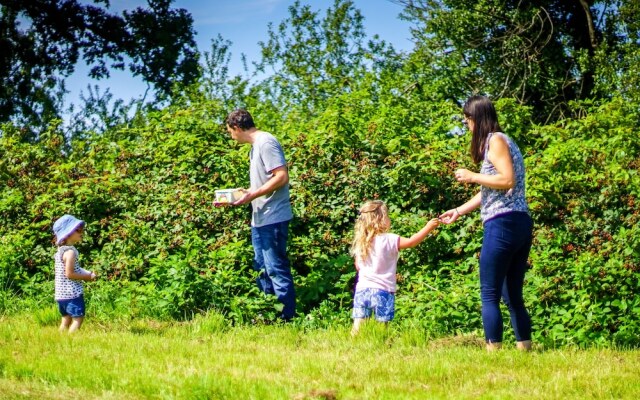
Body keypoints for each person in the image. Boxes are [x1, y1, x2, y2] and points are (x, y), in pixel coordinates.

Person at [439, 95, 533, 351]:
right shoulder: (504, 141)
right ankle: (525, 349)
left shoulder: (495, 141)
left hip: (503, 223)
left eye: (467, 119)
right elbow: (490, 191)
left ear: (476, 119)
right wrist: (459, 210)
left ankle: (494, 351)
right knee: (512, 293)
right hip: (519, 223)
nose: (466, 125)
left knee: (489, 292)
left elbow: (507, 180)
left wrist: (471, 176)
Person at [216, 109, 296, 321]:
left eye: (230, 131)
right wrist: (245, 192)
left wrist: (253, 194)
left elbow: (282, 176)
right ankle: (268, 315)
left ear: (237, 127)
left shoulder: (266, 142)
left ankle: (286, 320)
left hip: (274, 217)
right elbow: (264, 183)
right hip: (260, 218)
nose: (231, 136)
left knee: (276, 269)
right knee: (261, 268)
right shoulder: (254, 147)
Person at [350, 200, 440, 336]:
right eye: (387, 216)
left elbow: (358, 266)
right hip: (383, 290)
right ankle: (380, 345)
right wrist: (428, 227)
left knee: (358, 324)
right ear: (380, 219)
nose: (389, 219)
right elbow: (411, 241)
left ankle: (352, 346)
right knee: (382, 325)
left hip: (362, 289)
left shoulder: (361, 242)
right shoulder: (389, 239)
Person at [52, 214, 97, 333]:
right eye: (78, 230)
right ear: (67, 234)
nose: (81, 232)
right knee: (78, 318)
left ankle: (60, 338)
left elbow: (74, 268)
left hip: (61, 295)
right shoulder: (70, 252)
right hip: (72, 294)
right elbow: (70, 273)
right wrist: (87, 277)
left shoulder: (60, 251)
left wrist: (87, 272)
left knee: (66, 318)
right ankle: (71, 339)